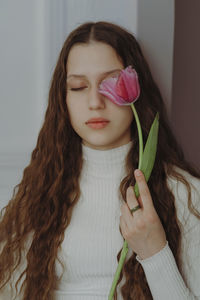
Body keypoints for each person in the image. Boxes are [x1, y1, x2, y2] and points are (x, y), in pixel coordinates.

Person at [0, 21, 200, 300]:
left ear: (136, 89)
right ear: (63, 100)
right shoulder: (37, 194)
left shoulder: (186, 194)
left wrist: (154, 252)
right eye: (79, 86)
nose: (95, 101)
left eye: (110, 84)